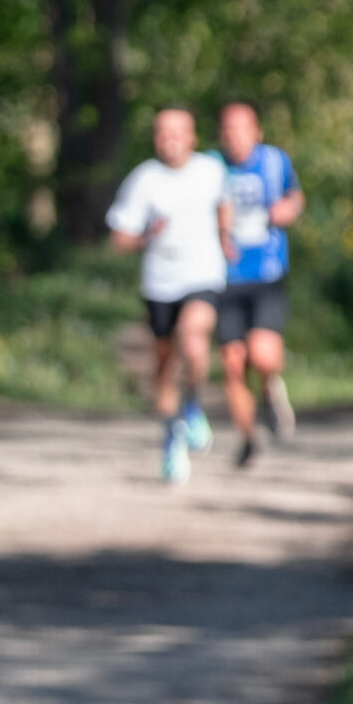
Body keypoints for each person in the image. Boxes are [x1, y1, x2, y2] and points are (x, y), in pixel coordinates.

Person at [105, 107, 231, 485]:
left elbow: (224, 204)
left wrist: (225, 236)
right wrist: (146, 236)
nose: (170, 139)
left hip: (203, 274)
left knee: (193, 339)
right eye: (162, 132)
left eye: (177, 131)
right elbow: (119, 238)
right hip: (160, 283)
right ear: (155, 138)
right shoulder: (144, 179)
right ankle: (171, 437)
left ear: (193, 136)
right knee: (164, 364)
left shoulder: (211, 171)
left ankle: (193, 406)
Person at [214, 100, 305, 466]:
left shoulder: (274, 161)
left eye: (242, 129)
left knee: (262, 355)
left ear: (257, 132)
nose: (235, 137)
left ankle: (269, 390)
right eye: (228, 130)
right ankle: (249, 438)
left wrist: (288, 210)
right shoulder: (211, 166)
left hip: (267, 274)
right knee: (233, 364)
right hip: (223, 276)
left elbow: (295, 196)